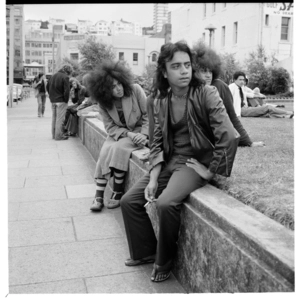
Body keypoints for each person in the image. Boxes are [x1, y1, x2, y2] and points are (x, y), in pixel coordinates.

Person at [120, 41, 239, 283]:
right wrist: (153, 177)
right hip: (168, 161)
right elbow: (155, 140)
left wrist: (210, 171)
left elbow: (228, 134)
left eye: (187, 65)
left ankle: (164, 261)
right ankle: (146, 252)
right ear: (164, 72)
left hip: (193, 163)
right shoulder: (158, 99)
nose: (184, 71)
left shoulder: (206, 93)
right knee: (129, 201)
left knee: (165, 203)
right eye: (176, 66)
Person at [85, 60, 149, 211]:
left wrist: (145, 135)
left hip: (140, 131)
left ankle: (117, 191)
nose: (118, 88)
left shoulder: (135, 90)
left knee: (120, 148)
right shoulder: (103, 102)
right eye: (113, 87)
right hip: (119, 133)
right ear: (105, 90)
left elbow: (149, 115)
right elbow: (109, 126)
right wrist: (127, 133)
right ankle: (98, 195)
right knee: (105, 151)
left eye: (119, 83)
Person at [192, 43, 264, 147]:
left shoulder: (219, 86)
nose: (208, 75)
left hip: (215, 138)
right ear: (194, 72)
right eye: (204, 71)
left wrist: (248, 142)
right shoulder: (189, 89)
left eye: (210, 71)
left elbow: (231, 116)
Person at [229, 71, 294, 118]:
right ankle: (289, 112)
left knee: (266, 113)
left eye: (243, 80)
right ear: (234, 80)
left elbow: (251, 93)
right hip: (241, 110)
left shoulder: (241, 88)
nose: (242, 81)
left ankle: (286, 116)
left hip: (245, 108)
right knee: (267, 108)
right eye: (240, 80)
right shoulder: (232, 87)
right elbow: (227, 100)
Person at [46, 64, 73, 141]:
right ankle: (58, 136)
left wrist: (51, 96)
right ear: (68, 71)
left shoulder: (53, 76)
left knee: (54, 118)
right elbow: (67, 91)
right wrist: (66, 100)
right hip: (61, 101)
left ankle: (54, 135)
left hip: (53, 100)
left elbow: (47, 87)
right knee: (60, 119)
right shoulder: (65, 77)